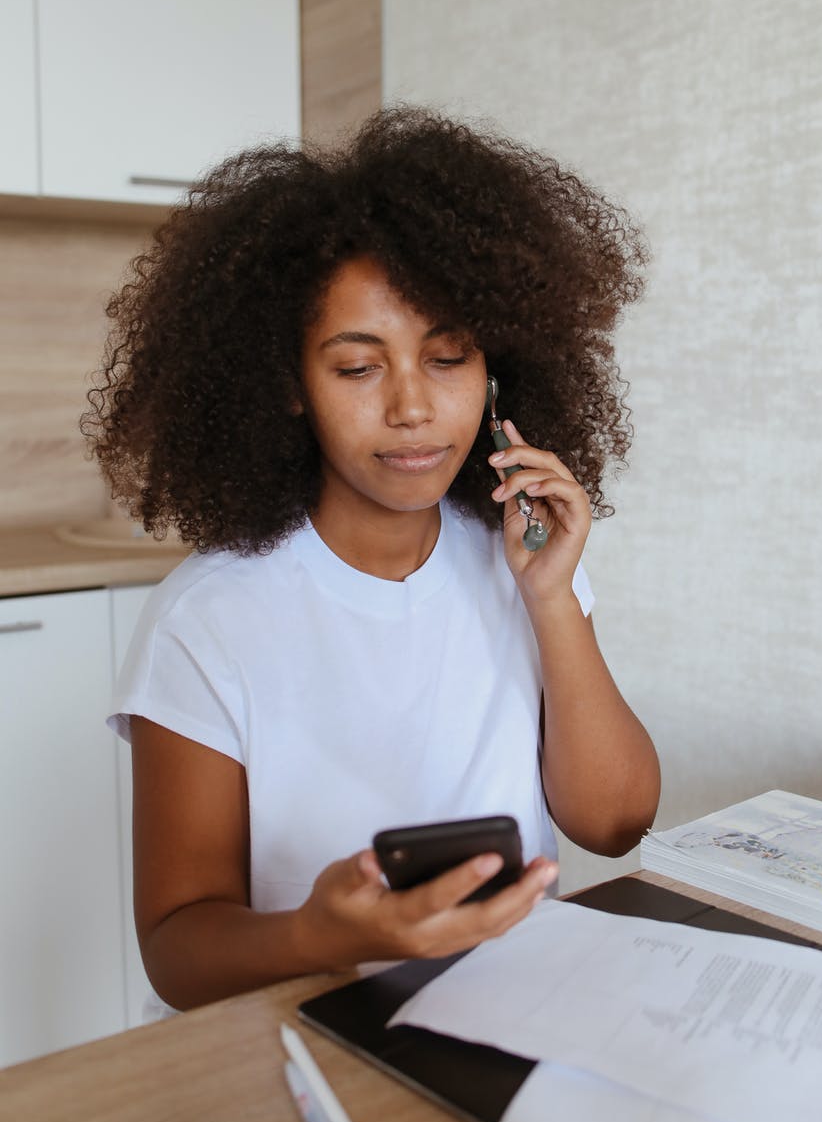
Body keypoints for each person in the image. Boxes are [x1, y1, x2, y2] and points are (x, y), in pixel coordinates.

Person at [83, 106, 661, 1018]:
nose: (411, 408)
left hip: (506, 1010)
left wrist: (551, 600)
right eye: (357, 369)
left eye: (447, 358)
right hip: (293, 1032)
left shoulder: (526, 560)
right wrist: (328, 935)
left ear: (496, 374)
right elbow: (178, 950)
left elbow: (615, 821)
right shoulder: (210, 618)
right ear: (286, 384)